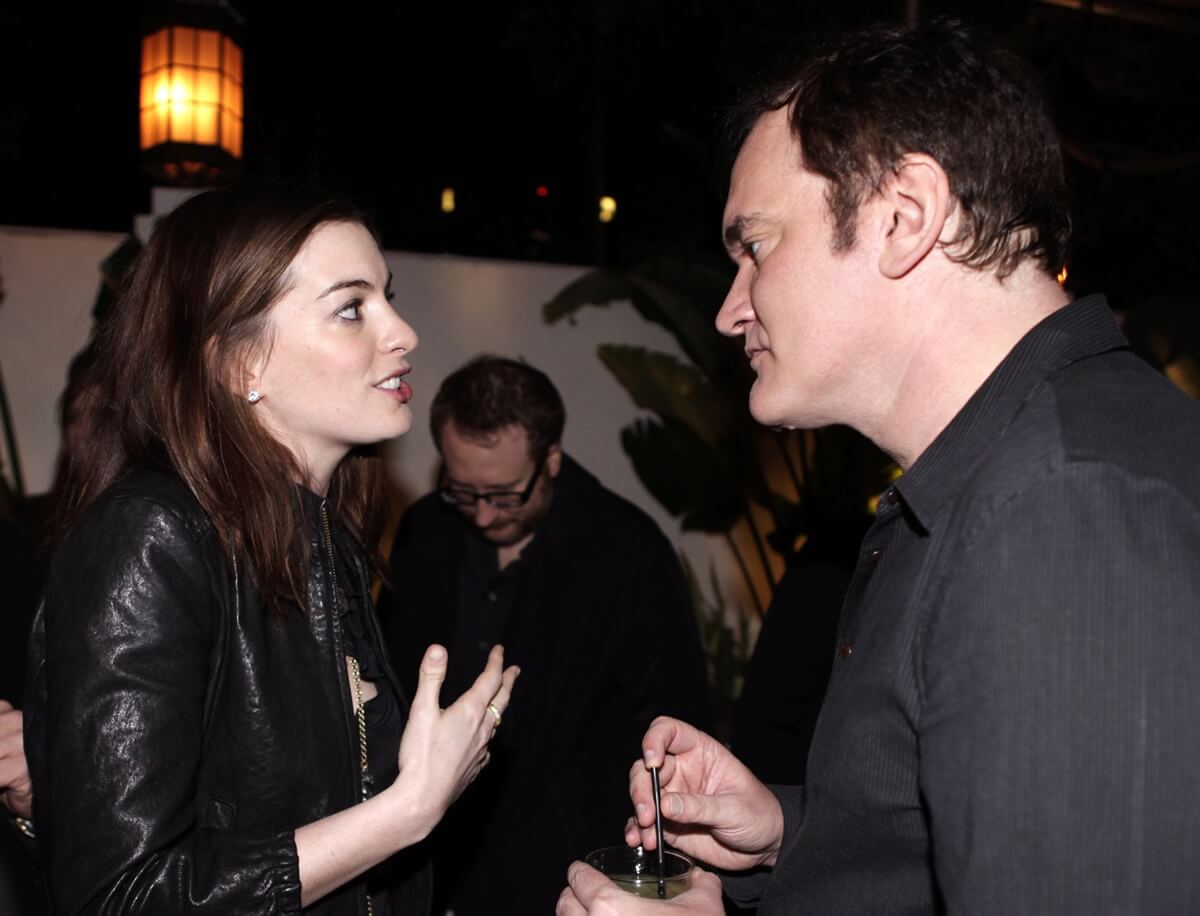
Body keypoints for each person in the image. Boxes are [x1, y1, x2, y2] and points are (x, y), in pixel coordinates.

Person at [558, 18, 1200, 915]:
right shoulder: (993, 478)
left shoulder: (1065, 510)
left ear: (904, 216)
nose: (729, 309)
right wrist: (793, 835)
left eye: (755, 246)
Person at [24, 184, 519, 916]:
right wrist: (402, 812)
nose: (403, 331)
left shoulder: (326, 541)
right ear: (238, 365)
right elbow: (121, 896)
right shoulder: (150, 539)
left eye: (387, 296)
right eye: (352, 308)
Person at [378, 355, 711, 916]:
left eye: (506, 495)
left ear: (551, 459)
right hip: (432, 861)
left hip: (564, 875)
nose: (483, 516)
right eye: (465, 492)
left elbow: (675, 721)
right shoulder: (426, 529)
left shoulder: (627, 551)